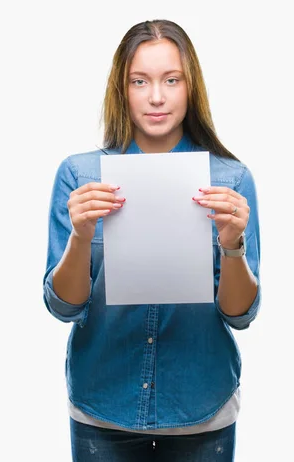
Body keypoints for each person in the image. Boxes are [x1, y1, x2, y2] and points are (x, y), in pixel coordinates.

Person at [43, 19, 261, 461]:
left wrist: (232, 245)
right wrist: (81, 237)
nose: (156, 97)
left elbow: (240, 315)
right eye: (139, 81)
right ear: (121, 90)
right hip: (103, 402)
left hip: (201, 401)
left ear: (190, 87)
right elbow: (63, 307)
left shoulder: (230, 179)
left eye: (171, 80)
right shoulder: (80, 176)